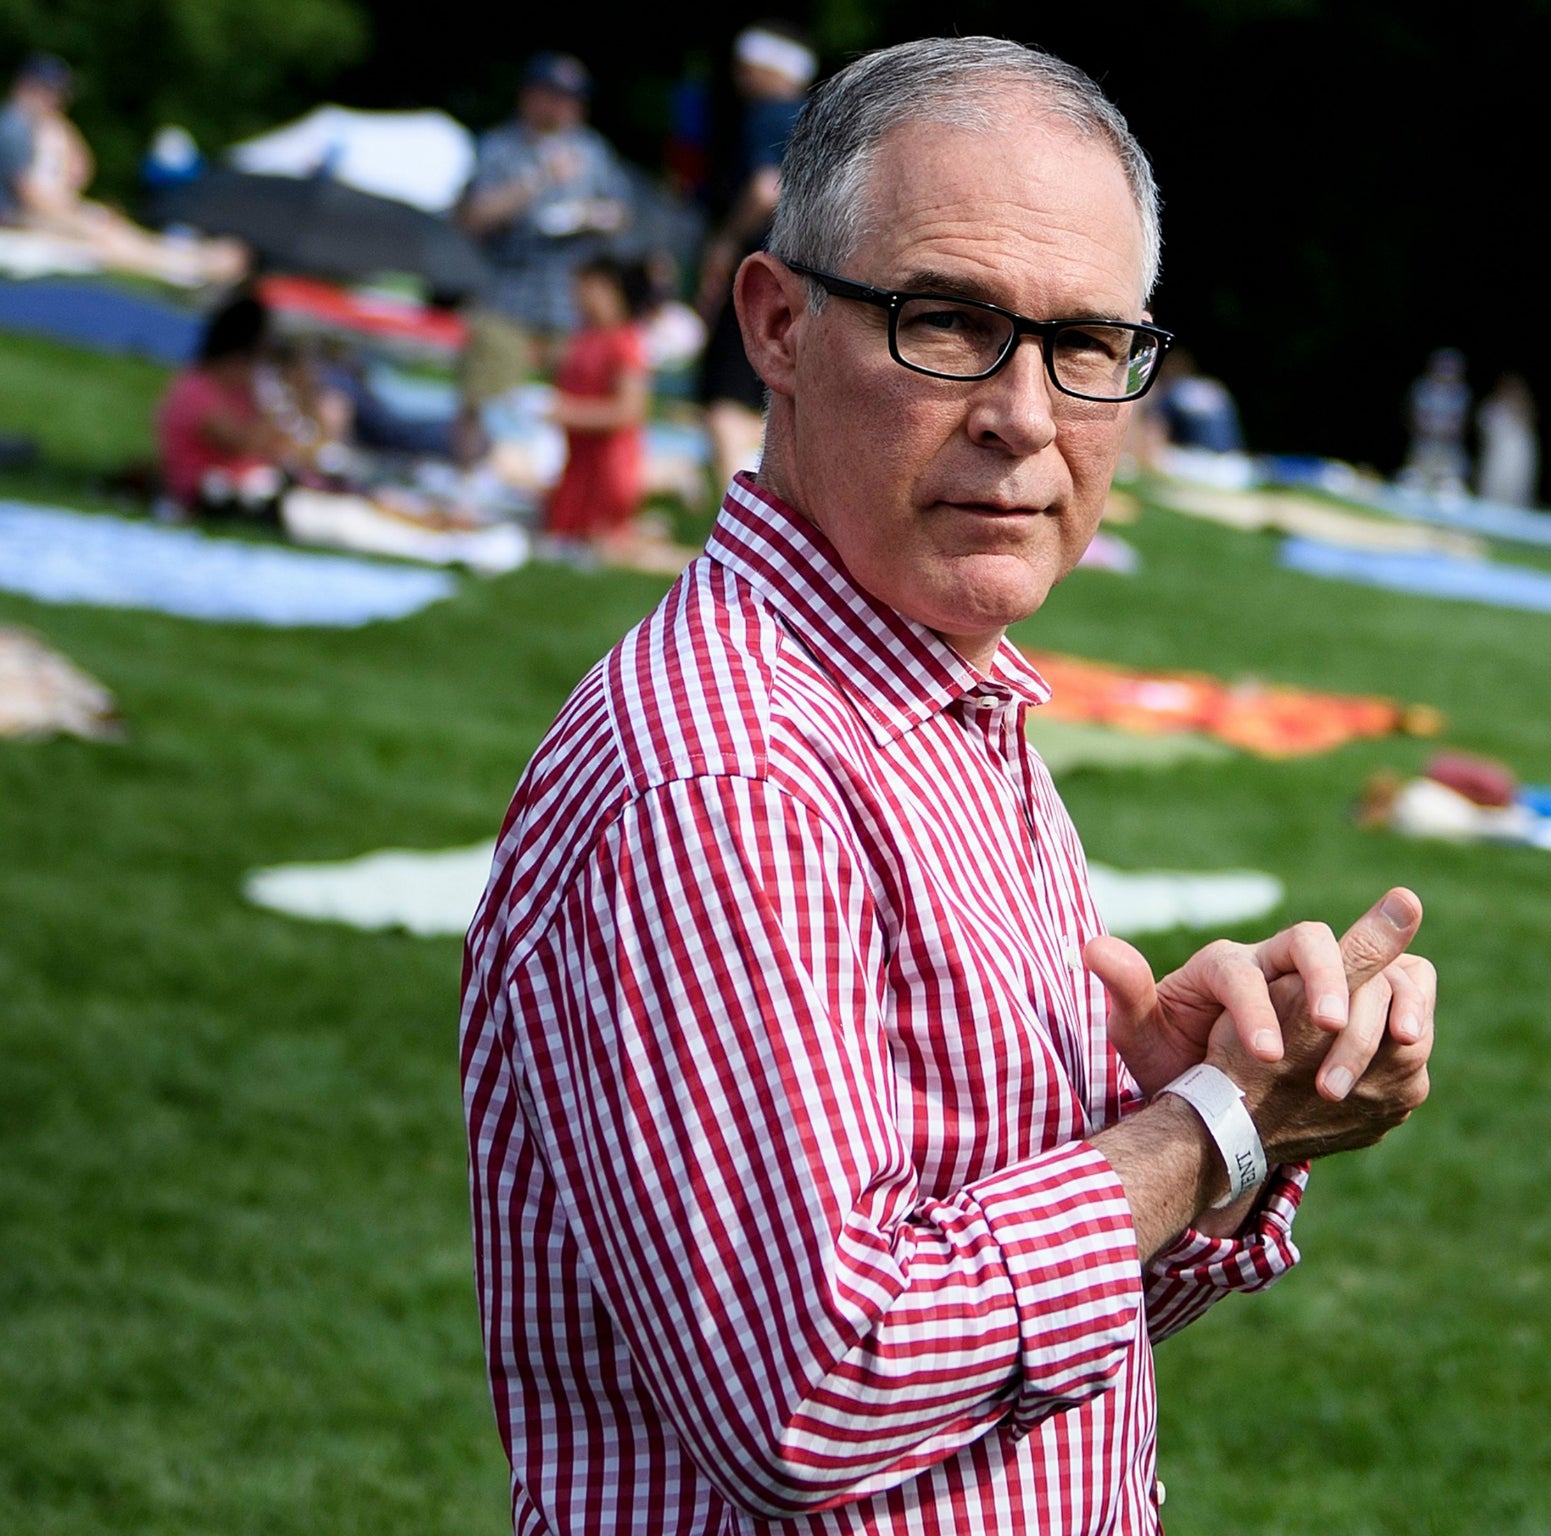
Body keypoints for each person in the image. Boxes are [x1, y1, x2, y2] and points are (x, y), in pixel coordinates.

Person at [461, 35, 1439, 1536]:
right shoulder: (732, 775)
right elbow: (820, 1392)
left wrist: (1220, 1110)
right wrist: (1199, 1135)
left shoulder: (939, 694)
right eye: (948, 322)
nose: (1028, 416)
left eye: (1088, 344)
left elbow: (1001, 1358)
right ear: (779, 326)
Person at [456, 53, 632, 410]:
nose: (567, 107)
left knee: (567, 413)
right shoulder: (499, 147)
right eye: (557, 96)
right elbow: (473, 217)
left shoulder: (592, 150)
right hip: (505, 303)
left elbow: (622, 212)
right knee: (486, 408)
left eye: (574, 98)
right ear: (531, 96)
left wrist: (597, 216)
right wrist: (538, 180)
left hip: (572, 310)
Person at [694, 22, 815, 497]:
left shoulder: (769, 115)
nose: (740, 76)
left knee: (726, 395)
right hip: (810, 271)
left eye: (748, 67)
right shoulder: (822, 119)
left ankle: (735, 512)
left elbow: (765, 190)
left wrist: (725, 243)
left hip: (762, 270)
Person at [0, 54, 242, 285]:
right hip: (15, 219)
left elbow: (78, 172)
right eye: (55, 92)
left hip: (25, 215)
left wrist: (65, 134)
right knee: (101, 230)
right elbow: (31, 198)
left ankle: (192, 262)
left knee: (105, 225)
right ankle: (191, 265)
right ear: (32, 86)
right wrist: (75, 215)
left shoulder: (35, 127)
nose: (60, 101)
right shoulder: (15, 127)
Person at [156, 292, 295, 521]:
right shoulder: (198, 389)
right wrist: (268, 401)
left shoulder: (241, 392)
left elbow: (281, 446)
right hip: (201, 490)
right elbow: (243, 444)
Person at [543, 255, 651, 546]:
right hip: (577, 462)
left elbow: (629, 410)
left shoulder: (625, 341)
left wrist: (567, 414)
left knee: (604, 545)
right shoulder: (584, 335)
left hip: (607, 467)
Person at [1400, 346, 1470, 495]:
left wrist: (1447, 432)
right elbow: (1416, 414)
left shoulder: (1460, 392)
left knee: (1447, 485)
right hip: (1423, 442)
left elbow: (1459, 421)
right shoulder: (1423, 388)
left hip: (1448, 446)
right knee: (1414, 480)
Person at [1475, 371, 1537, 506]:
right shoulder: (1492, 408)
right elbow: (1486, 429)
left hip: (1517, 460)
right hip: (1496, 458)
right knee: (1493, 489)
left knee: (1516, 490)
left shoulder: (1524, 412)